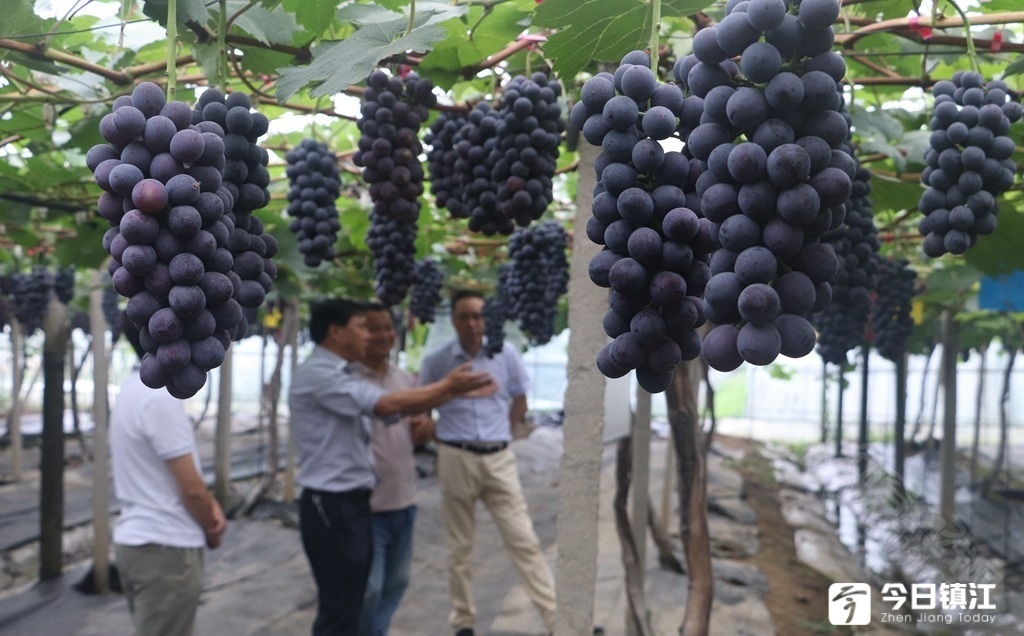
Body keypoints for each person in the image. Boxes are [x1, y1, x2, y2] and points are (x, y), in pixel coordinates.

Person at [289, 298, 494, 636]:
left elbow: (400, 411)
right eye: (361, 328)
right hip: (332, 504)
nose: (368, 336)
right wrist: (448, 386)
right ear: (336, 332)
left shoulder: (338, 373)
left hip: (350, 503)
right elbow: (384, 404)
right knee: (342, 608)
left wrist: (447, 394)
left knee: (351, 602)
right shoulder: (321, 375)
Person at [417, 290, 556, 636]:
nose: (472, 323)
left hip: (498, 458)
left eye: (478, 316)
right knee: (459, 545)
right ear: (453, 321)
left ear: (487, 320)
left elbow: (519, 402)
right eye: (464, 316)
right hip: (455, 457)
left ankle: (556, 619)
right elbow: (420, 411)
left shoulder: (505, 354)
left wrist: (500, 432)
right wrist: (442, 433)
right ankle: (463, 621)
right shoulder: (437, 361)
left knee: (524, 539)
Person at [111, 318, 226, 636]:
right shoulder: (159, 398)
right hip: (165, 549)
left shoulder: (132, 389)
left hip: (141, 544)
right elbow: (191, 488)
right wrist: (213, 522)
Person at [353, 304, 433, 635]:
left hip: (404, 501)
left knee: (397, 583)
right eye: (374, 328)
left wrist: (424, 428)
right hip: (367, 506)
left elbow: (417, 429)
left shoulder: (402, 378)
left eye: (388, 327)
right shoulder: (348, 380)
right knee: (368, 590)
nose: (385, 335)